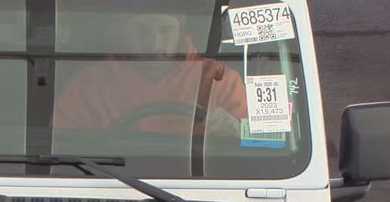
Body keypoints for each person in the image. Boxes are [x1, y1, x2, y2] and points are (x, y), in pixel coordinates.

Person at [53, 11, 248, 141]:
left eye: (165, 31)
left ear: (181, 31)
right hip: (112, 182)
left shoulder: (220, 79)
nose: (154, 45)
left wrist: (237, 130)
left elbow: (268, 141)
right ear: (124, 32)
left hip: (206, 182)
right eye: (141, 31)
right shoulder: (88, 84)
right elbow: (61, 142)